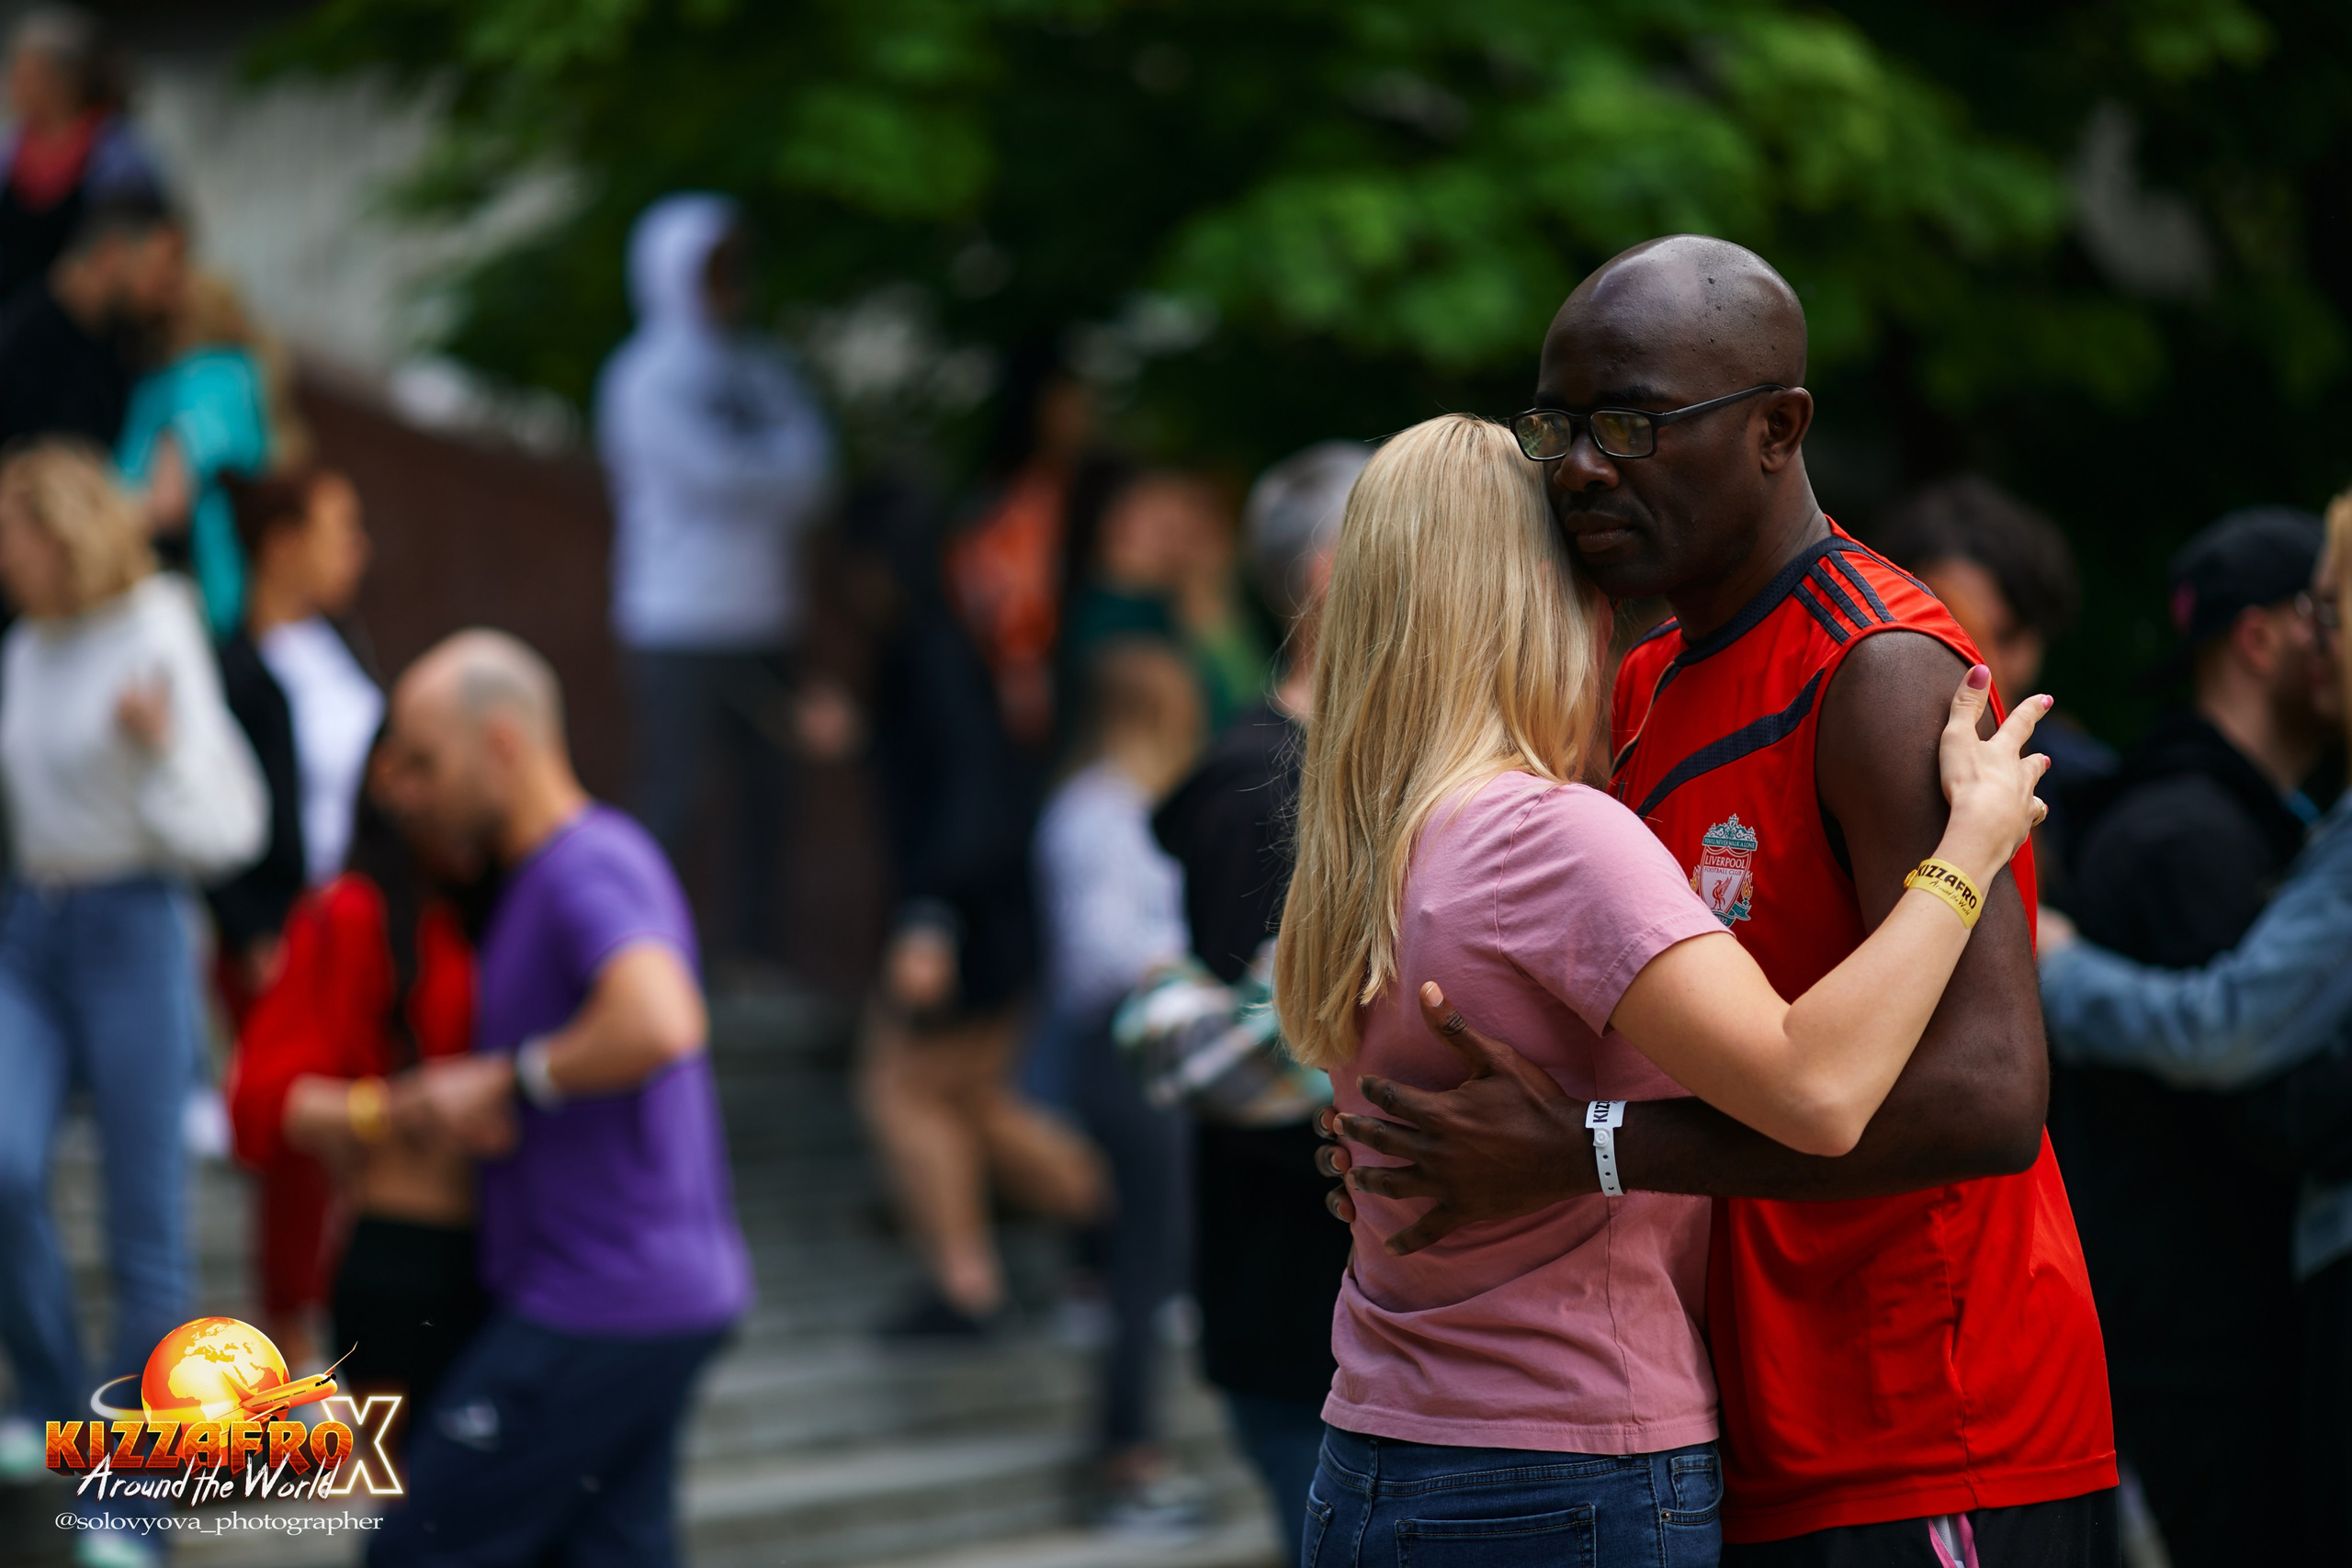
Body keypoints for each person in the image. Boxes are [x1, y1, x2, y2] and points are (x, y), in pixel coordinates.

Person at [1314, 238, 2118, 1564]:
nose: (1580, 464)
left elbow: (1987, 1096)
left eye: (1630, 420)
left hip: (1925, 1426)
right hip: (1733, 1415)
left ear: (1776, 427)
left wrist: (1584, 1147)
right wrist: (1408, 1140)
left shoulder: (1883, 670)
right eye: (1559, 424)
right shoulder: (1638, 683)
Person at [366, 629, 752, 1567]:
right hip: (640, 1298)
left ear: (502, 742)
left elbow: (660, 1020)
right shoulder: (554, 873)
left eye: (426, 760)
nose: (407, 791)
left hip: (600, 1301)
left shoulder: (587, 863)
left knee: (414, 1553)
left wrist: (510, 1076)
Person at [2038, 483, 2352, 1552]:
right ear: (2261, 640)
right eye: (2321, 611)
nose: (2329, 640)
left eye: (2337, 611)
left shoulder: (2235, 826)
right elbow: (2249, 1062)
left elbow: (2238, 1038)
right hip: (2211, 1344)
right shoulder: (2192, 837)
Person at [0, 442, 264, 1563]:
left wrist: (157, 755)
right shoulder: (25, 644)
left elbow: (228, 828)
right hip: (30, 930)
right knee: (4, 1166)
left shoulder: (157, 622)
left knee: (143, 1229)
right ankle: (55, 1402)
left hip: (136, 928)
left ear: (55, 533)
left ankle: (131, 1503)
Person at [1145, 438, 1363, 1556]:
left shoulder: (1341, 767)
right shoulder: (1255, 789)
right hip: (1299, 1317)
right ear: (1333, 572)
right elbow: (1267, 1065)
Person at [848, 475, 1106, 1338]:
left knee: (904, 1089)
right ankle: (1128, 1225)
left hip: (966, 912)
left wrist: (927, 917)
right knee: (974, 1100)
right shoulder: (951, 641)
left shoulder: (924, 648)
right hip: (996, 906)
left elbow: (958, 796)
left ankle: (971, 1285)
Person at [595, 191, 834, 972]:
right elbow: (711, 475)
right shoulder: (641, 379)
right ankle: (646, 952)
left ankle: (754, 956)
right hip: (675, 615)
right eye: (712, 271)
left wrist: (762, 477)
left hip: (765, 612)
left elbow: (815, 469)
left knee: (770, 798)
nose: (728, 288)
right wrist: (770, 477)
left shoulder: (764, 370)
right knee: (676, 793)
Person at [225, 742, 491, 1441]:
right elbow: (258, 1101)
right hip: (391, 1256)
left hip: (512, 1263)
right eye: (415, 766)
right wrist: (392, 1107)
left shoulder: (521, 902)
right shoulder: (348, 913)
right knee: (407, 1517)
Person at [209, 466, 382, 1373]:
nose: (356, 548)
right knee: (298, 1139)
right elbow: (215, 816)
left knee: (363, 1134)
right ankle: (293, 1344)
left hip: (357, 926)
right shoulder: (233, 665)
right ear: (281, 543)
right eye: (338, 525)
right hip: (280, 936)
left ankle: (356, 1331)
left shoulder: (339, 649)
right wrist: (250, 932)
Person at [1033, 638, 1203, 1531]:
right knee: (1146, 1261)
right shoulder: (1103, 811)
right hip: (1128, 1046)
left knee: (1147, 1263)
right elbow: (1105, 949)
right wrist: (1201, 970)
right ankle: (1128, 1462)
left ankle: (1133, 1455)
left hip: (1134, 1044)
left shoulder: (1106, 804)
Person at [1872, 475, 2116, 889]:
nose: (1977, 666)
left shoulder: (2091, 790)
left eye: (2002, 638)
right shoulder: (1845, 766)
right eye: (1951, 630)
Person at [118, 270, 280, 637]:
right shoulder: (245, 376)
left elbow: (167, 503)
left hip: (188, 579)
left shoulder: (185, 382)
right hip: (241, 571)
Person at [0, 187, 178, 453]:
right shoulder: (18, 349)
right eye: (162, 271)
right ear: (111, 256)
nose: (173, 292)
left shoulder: (125, 342)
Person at [0, 6, 158, 304]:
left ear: (64, 80)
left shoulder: (116, 152)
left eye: (27, 73)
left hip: (89, 315)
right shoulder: (10, 150)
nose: (14, 85)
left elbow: (137, 237)